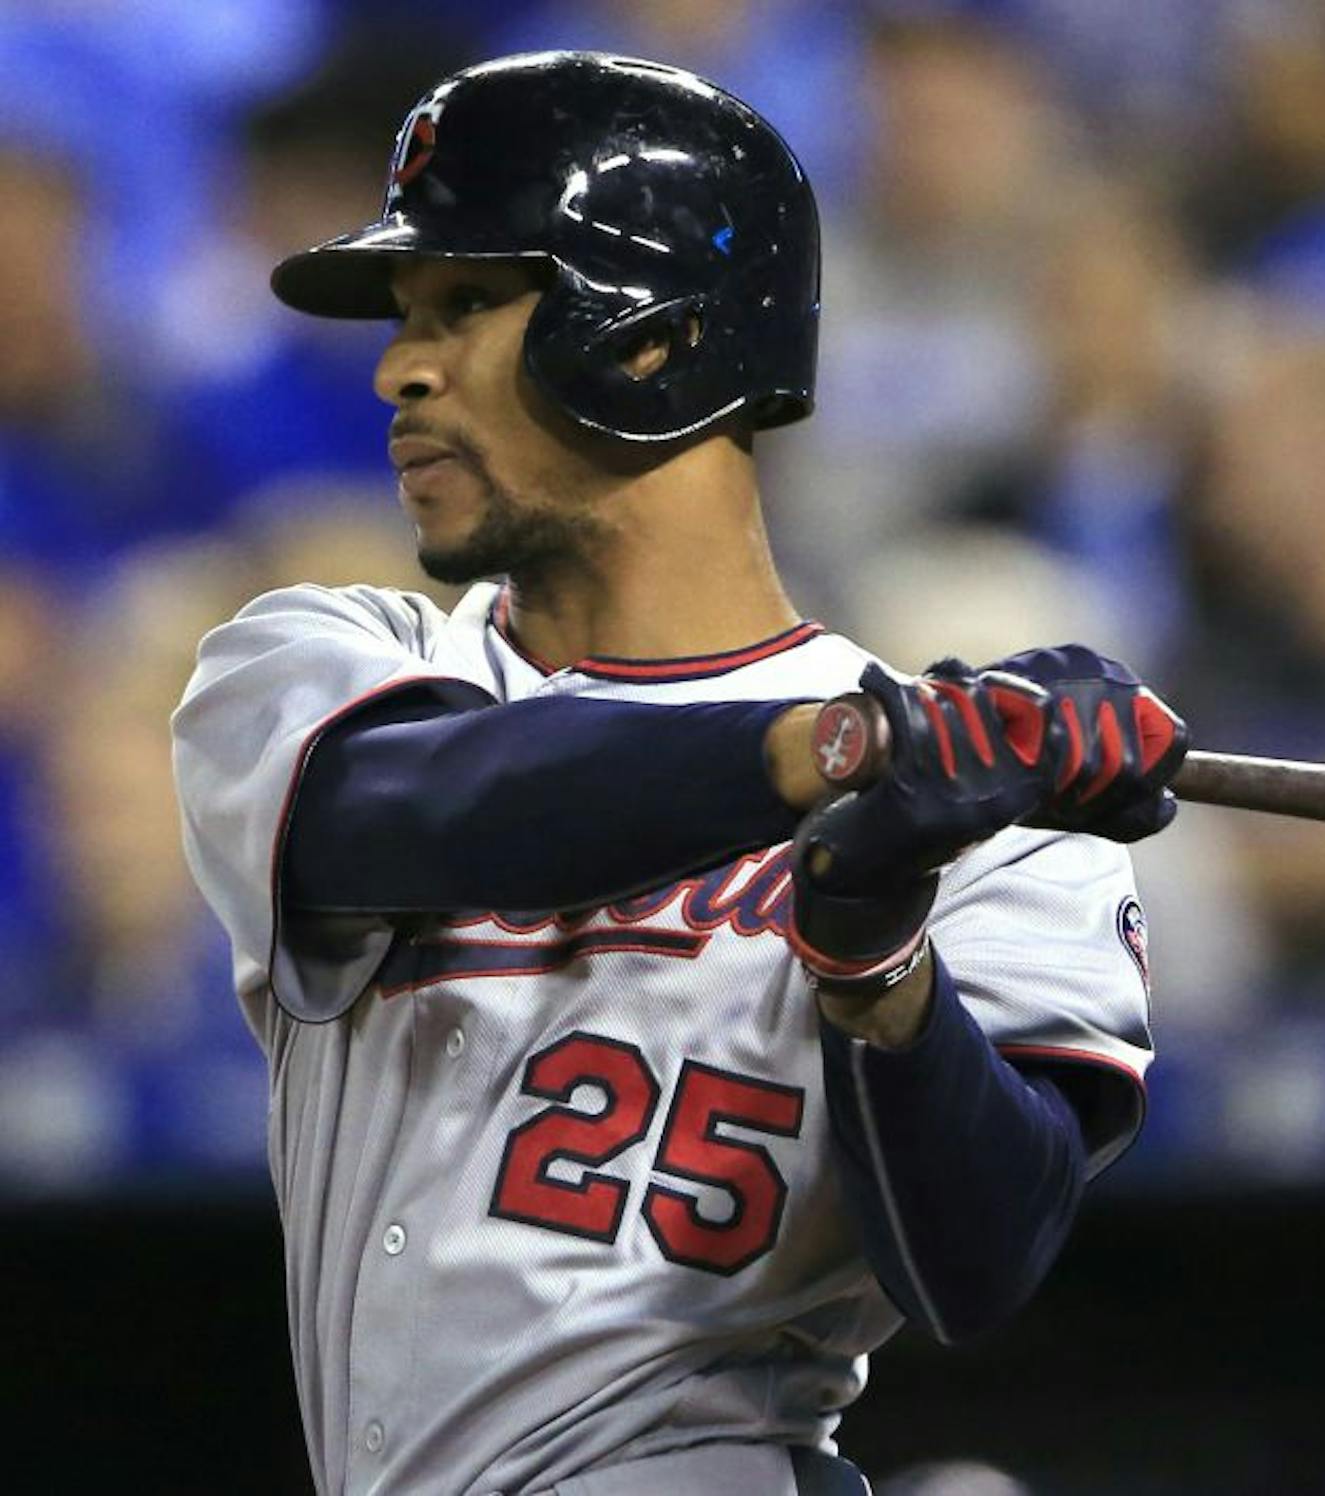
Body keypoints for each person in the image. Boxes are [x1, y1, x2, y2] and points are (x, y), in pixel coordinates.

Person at [170, 52, 1185, 1496]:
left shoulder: (983, 814)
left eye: (466, 305)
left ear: (649, 340)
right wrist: (828, 756)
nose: (400, 367)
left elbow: (978, 1262)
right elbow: (408, 813)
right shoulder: (334, 662)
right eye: (406, 317)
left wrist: (873, 947)